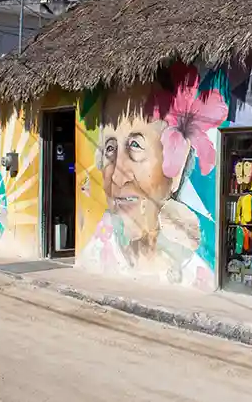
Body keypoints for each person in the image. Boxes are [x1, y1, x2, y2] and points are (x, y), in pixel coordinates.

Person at [78, 64, 228, 289]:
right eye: (110, 148)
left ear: (177, 168)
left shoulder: (197, 274)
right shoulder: (94, 251)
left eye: (135, 145)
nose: (117, 176)